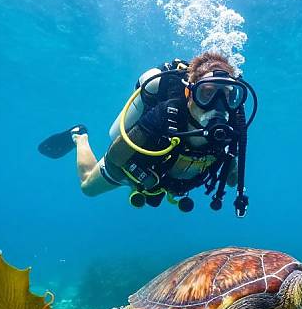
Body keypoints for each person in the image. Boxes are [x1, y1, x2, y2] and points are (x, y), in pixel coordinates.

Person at [38, 52, 257, 216]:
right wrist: (144, 180)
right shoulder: (167, 114)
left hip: (171, 179)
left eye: (228, 96)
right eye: (207, 94)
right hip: (137, 168)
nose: (217, 106)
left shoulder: (232, 127)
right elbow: (116, 159)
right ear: (190, 93)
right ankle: (80, 136)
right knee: (87, 187)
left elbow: (231, 169)